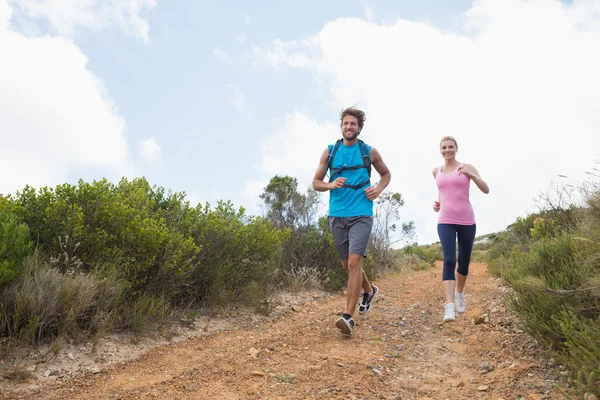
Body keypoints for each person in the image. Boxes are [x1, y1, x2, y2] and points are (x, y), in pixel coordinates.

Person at [312, 107, 391, 336]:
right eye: (346, 123)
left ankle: (348, 317)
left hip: (361, 213)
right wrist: (330, 185)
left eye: (353, 124)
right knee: (347, 266)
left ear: (359, 128)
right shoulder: (330, 152)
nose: (349, 127)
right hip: (337, 214)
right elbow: (316, 182)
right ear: (341, 126)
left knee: (355, 263)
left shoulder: (368, 151)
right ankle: (369, 290)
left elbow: (386, 174)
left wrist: (378, 188)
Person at [432, 136, 489, 323]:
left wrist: (472, 175)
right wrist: (438, 203)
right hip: (445, 220)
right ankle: (449, 307)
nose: (447, 150)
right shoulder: (436, 171)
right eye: (444, 147)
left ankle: (459, 294)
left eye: (450, 147)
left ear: (456, 148)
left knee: (463, 263)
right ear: (440, 150)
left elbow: (485, 189)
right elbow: (443, 190)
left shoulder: (467, 167)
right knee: (449, 260)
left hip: (466, 220)